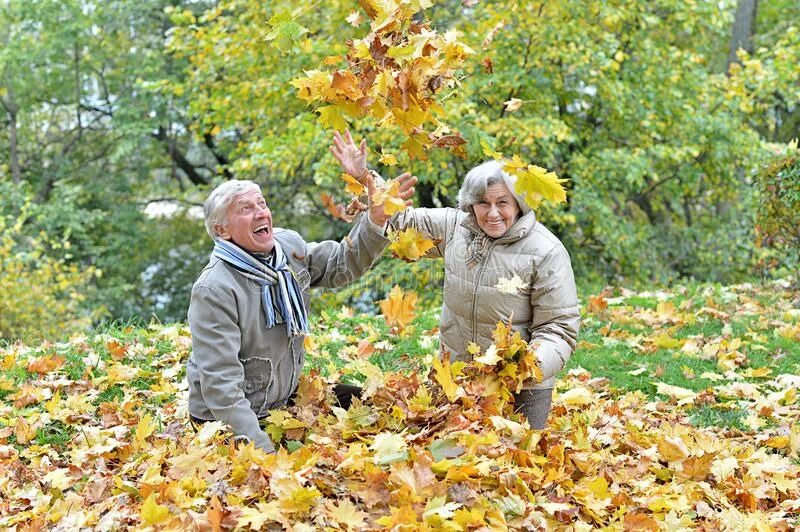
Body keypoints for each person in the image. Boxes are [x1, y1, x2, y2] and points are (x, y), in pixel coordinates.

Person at [331, 131, 580, 428]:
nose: (493, 213)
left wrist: (526, 366)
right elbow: (399, 220)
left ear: (518, 204)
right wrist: (363, 177)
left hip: (519, 388)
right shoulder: (455, 228)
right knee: (445, 457)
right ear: (471, 204)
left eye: (503, 202)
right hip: (456, 376)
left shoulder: (546, 252)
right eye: (483, 203)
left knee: (516, 463)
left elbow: (559, 328)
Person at [186, 175, 414, 452]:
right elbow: (222, 389)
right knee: (307, 463)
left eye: (262, 203)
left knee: (373, 405)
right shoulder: (215, 289)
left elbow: (342, 263)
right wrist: (264, 452)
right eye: (245, 209)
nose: (261, 212)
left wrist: (375, 221)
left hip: (282, 398)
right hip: (228, 419)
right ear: (221, 230)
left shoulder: (287, 248)